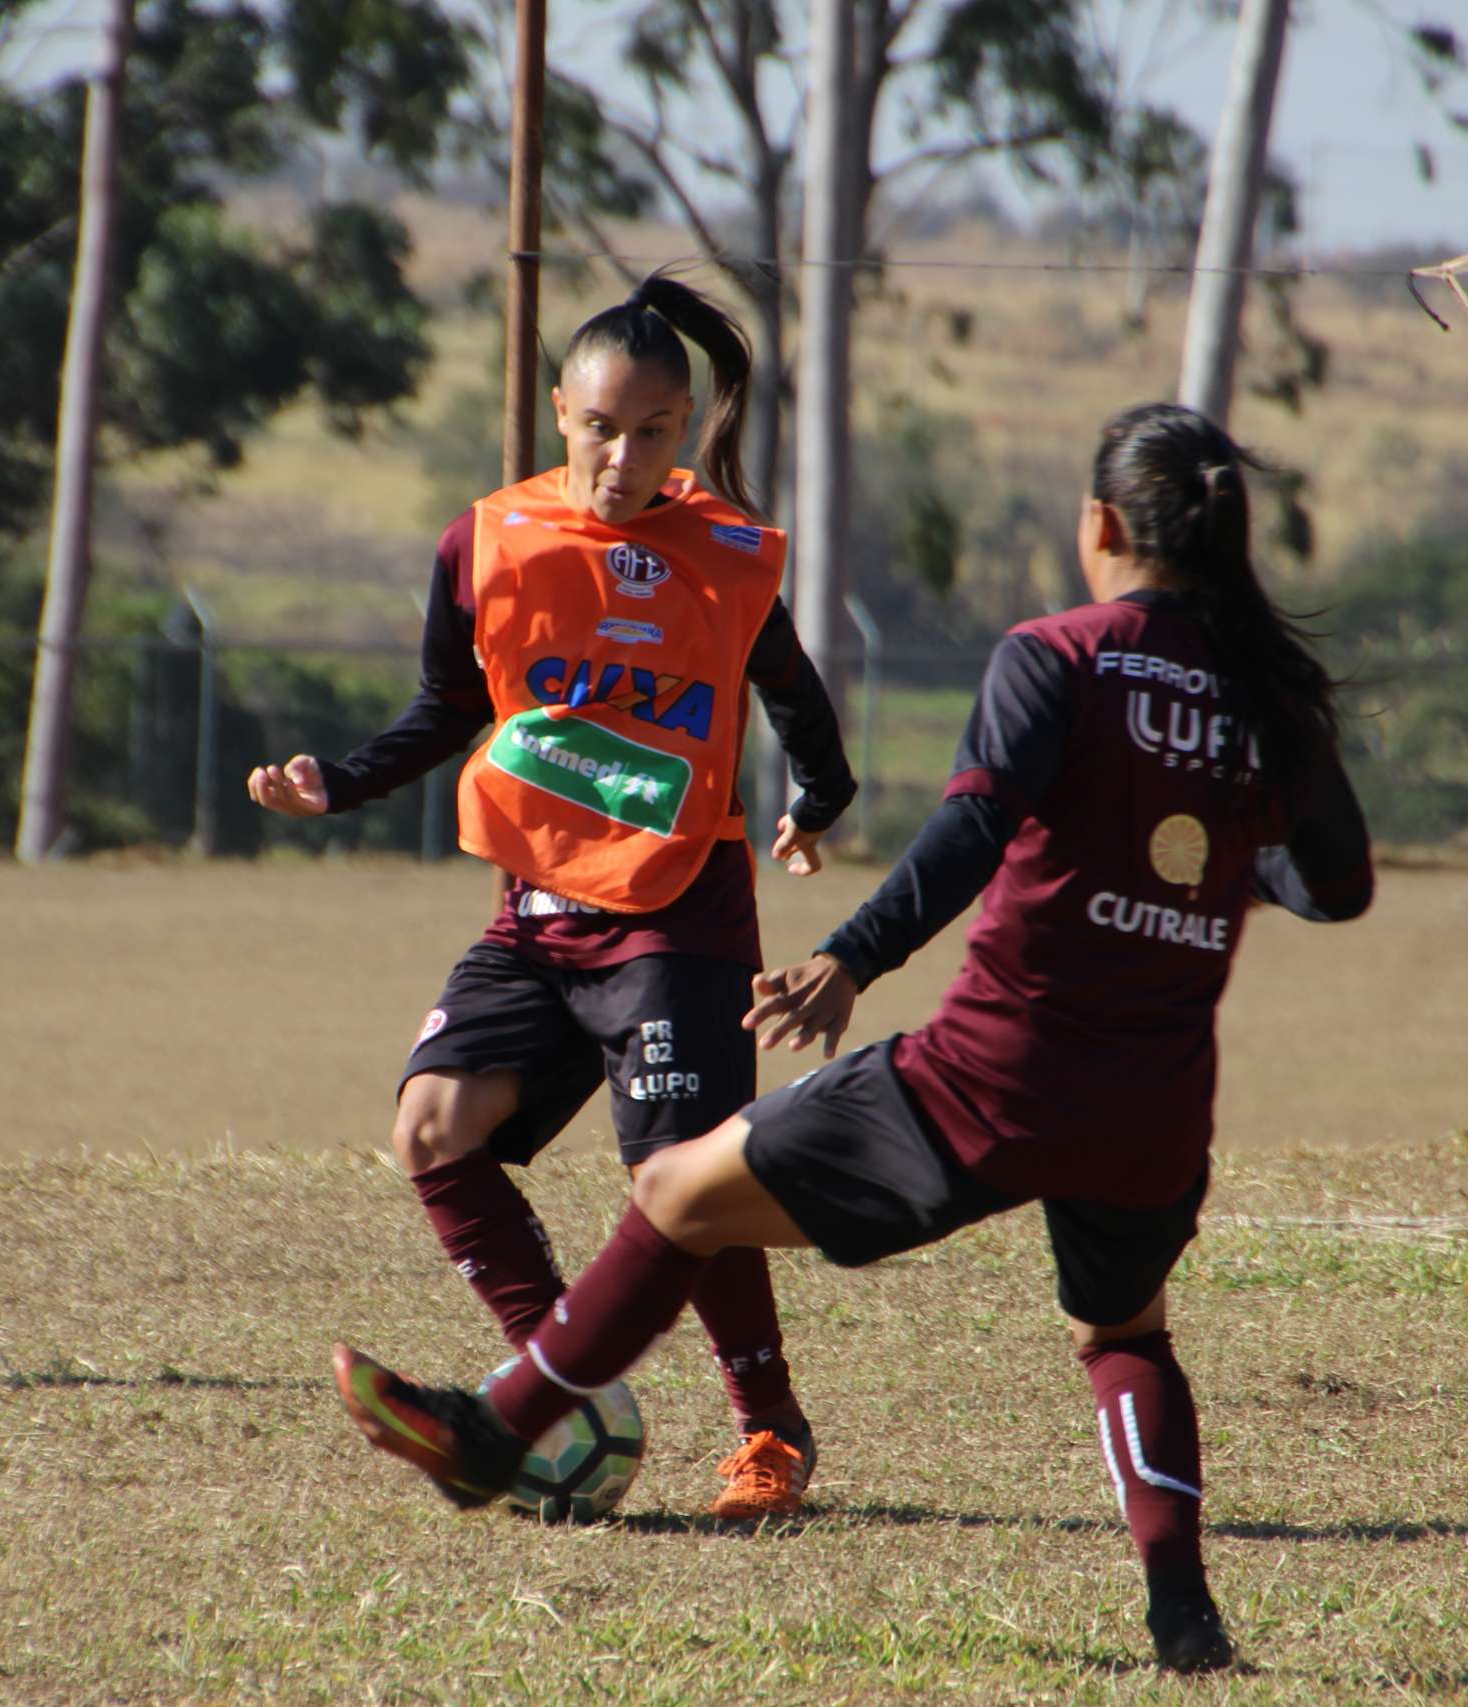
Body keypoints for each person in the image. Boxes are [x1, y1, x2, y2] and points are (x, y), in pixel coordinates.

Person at [330, 402, 1375, 1673]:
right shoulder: (1264, 696)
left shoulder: (1061, 654)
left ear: (1100, 527)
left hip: (988, 1079)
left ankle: (500, 1432)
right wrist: (1192, 871)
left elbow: (968, 836)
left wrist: (848, 959)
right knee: (1124, 1334)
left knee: (674, 1191)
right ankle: (1184, 1618)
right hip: (1155, 1109)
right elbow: (1335, 884)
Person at [250, 271, 857, 1521]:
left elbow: (792, 693)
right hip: (534, 908)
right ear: (557, 414)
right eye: (598, 427)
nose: (620, 456)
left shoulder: (731, 557)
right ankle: (552, 1386)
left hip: (678, 908)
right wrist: (341, 782)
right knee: (432, 1125)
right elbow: (450, 705)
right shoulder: (487, 540)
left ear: (683, 429)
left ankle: (769, 1435)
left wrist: (819, 793)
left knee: (681, 1181)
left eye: (650, 432)